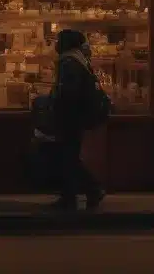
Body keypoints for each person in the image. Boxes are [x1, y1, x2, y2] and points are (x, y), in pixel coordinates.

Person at [50, 29, 105, 211]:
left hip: (70, 117)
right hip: (77, 116)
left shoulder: (69, 62)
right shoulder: (79, 60)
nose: (55, 44)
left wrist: (55, 104)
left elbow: (68, 93)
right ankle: (74, 195)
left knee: (68, 157)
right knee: (69, 157)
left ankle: (86, 191)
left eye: (58, 40)